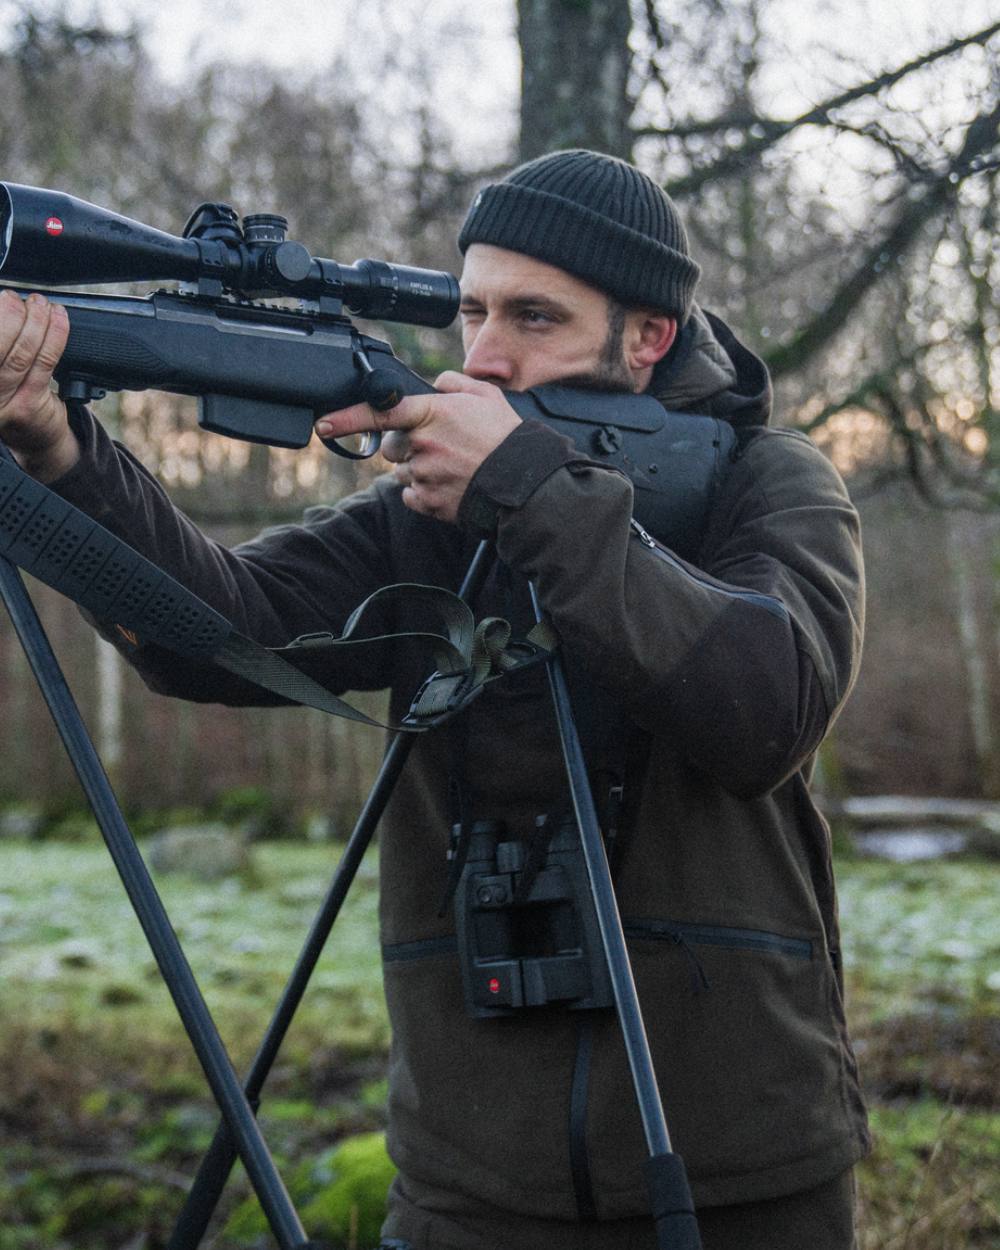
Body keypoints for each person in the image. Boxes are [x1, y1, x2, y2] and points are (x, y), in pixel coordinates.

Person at [0, 150, 869, 1250]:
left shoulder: (768, 482)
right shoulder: (424, 507)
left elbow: (769, 707)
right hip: (466, 1176)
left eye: (536, 317)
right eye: (470, 313)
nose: (489, 356)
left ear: (646, 338)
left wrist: (527, 494)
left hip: (739, 1168)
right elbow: (223, 636)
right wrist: (64, 452)